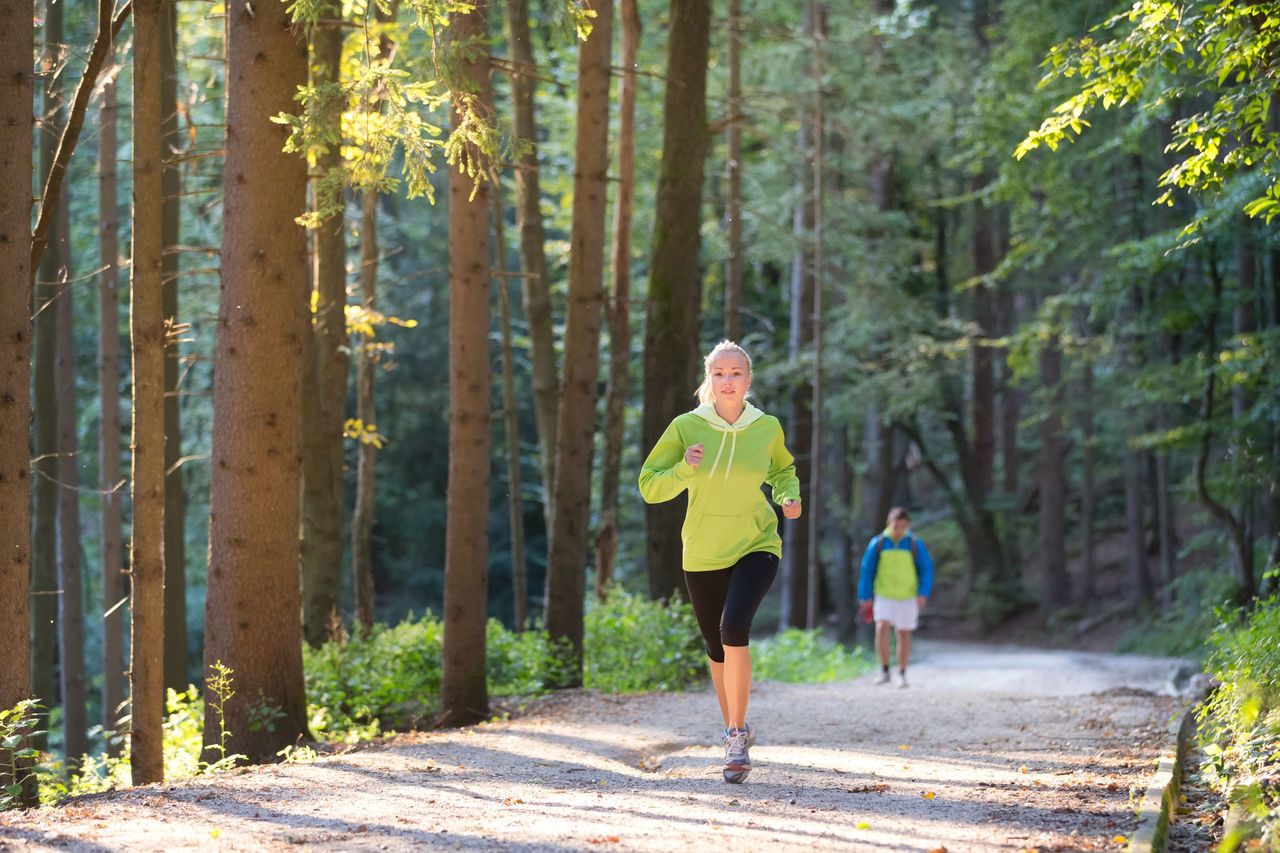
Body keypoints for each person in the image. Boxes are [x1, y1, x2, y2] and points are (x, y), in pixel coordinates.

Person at [638, 340, 801, 784]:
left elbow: (781, 470)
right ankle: (738, 729)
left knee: (734, 629)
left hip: (756, 542)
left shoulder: (765, 427)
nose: (727, 381)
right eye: (719, 374)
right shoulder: (687, 427)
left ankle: (733, 737)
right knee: (716, 647)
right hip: (703, 549)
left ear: (748, 381)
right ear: (708, 381)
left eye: (736, 373)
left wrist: (788, 496)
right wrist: (685, 469)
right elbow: (650, 486)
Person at [857, 507, 935, 688]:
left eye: (903, 526)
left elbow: (926, 569)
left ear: (907, 525)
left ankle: (902, 672)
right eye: (896, 526)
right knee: (881, 627)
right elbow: (867, 571)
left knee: (903, 633)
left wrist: (923, 592)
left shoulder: (914, 544)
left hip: (907, 596)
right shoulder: (878, 544)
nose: (899, 530)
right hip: (884, 594)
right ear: (889, 524)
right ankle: (885, 670)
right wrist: (865, 595)